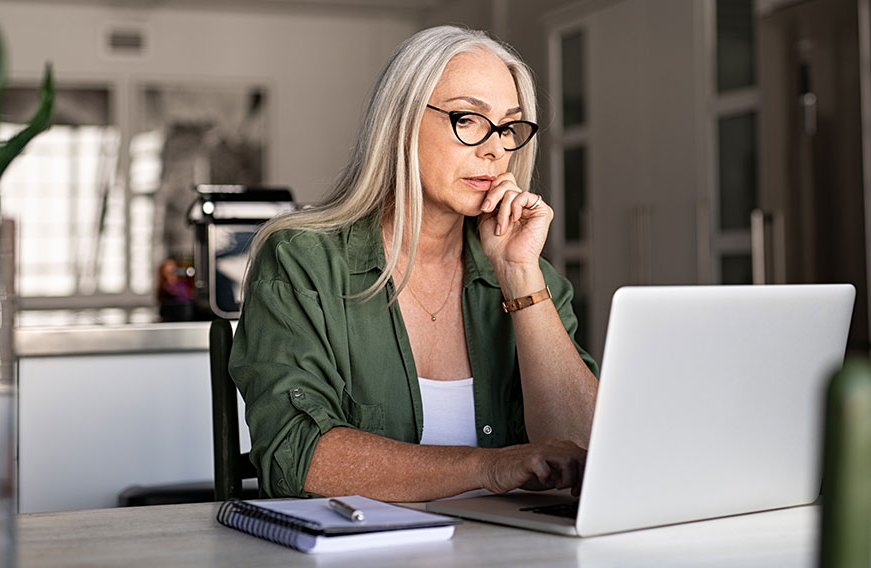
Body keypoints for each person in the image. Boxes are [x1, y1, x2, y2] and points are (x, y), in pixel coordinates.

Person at [230, 26, 599, 501]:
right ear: (401, 121)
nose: (496, 149)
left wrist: (519, 276)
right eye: (468, 118)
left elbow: (590, 454)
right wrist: (490, 466)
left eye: (508, 127)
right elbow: (297, 457)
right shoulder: (303, 261)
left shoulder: (531, 277)